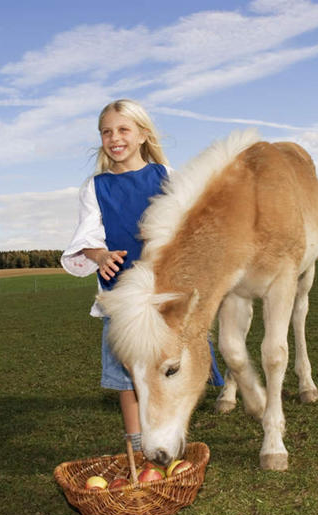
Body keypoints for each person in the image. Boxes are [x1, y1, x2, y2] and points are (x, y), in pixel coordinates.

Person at [61, 99, 222, 454]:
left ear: (143, 135)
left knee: (167, 367)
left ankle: (169, 429)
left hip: (165, 297)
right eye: (106, 132)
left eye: (123, 129)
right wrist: (100, 256)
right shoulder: (95, 188)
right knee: (129, 376)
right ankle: (136, 444)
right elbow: (87, 238)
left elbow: (189, 227)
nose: (114, 138)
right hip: (124, 299)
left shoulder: (166, 176)